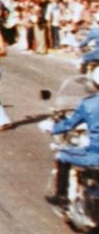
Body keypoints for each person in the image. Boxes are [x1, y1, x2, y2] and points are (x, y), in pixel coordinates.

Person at [48, 68, 99, 206]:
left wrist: (52, 128)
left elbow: (69, 124)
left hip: (95, 154)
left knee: (61, 156)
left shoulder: (89, 103)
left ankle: (61, 196)